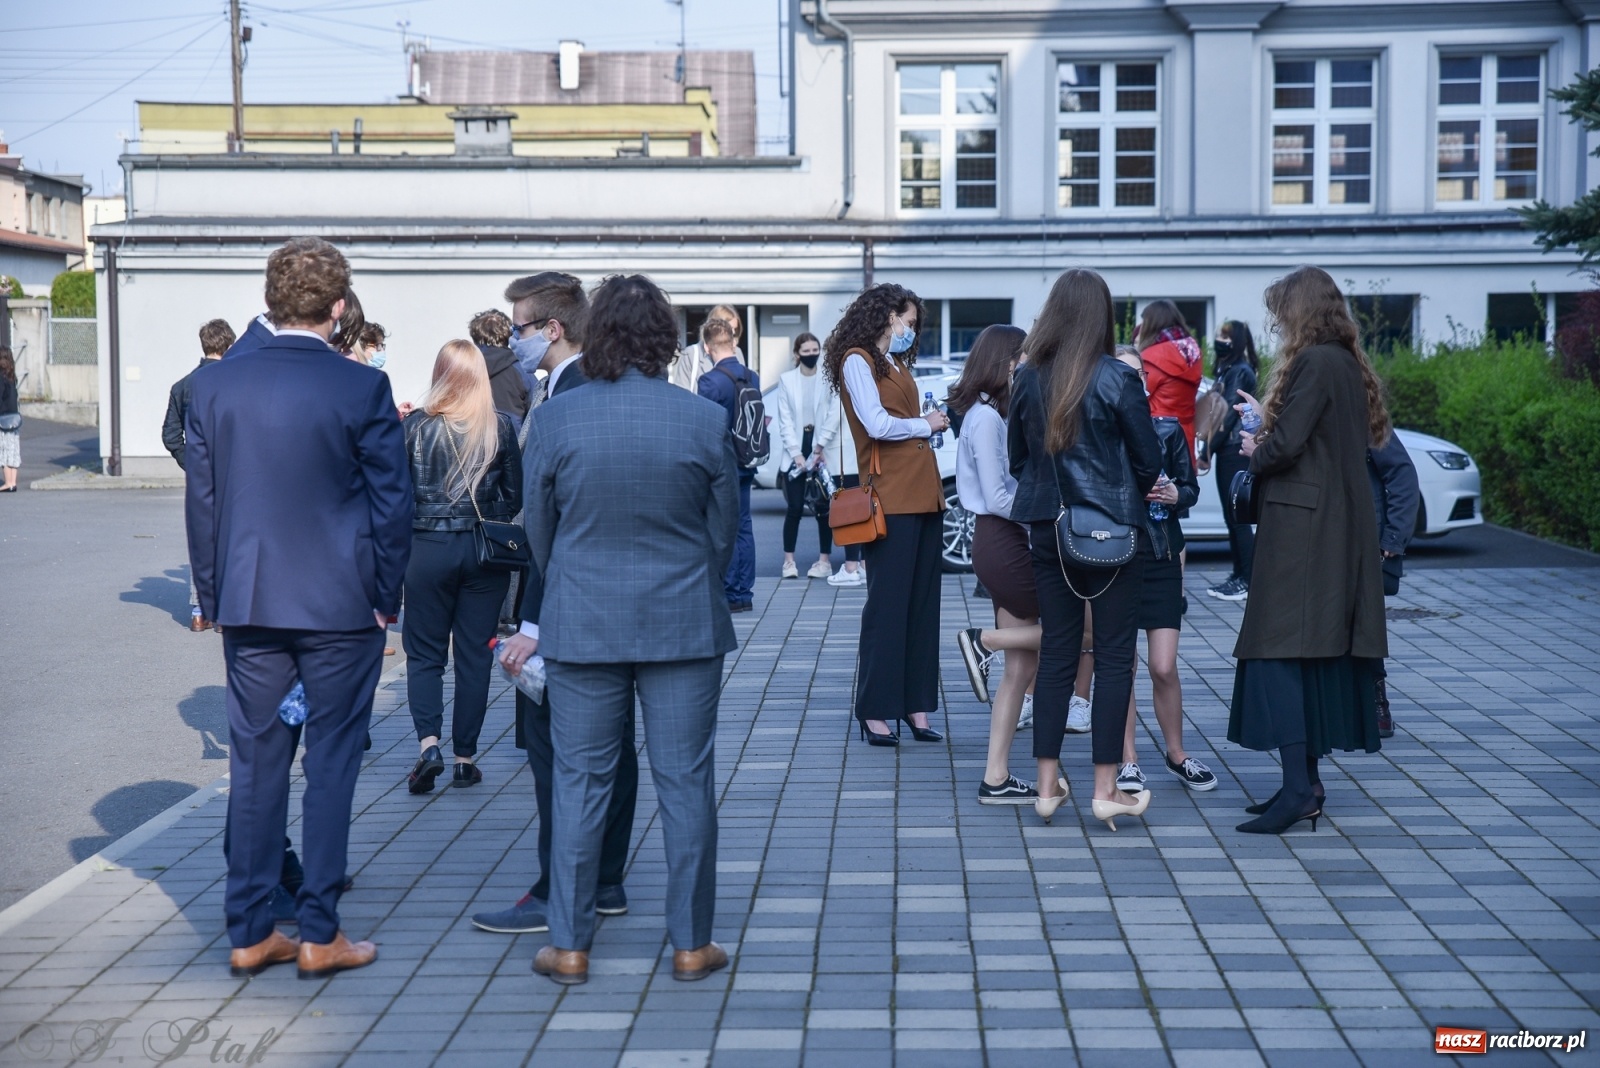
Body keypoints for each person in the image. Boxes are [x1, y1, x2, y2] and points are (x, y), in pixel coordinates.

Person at [498, 273, 738, 987]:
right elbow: (722, 535)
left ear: (593, 334)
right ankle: (692, 944)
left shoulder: (558, 420)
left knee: (580, 781)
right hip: (683, 624)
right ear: (666, 339)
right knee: (686, 783)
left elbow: (539, 532)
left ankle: (569, 945)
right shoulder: (700, 419)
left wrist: (576, 581)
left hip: (583, 623)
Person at [185, 236, 411, 977]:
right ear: (339, 308)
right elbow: (391, 506)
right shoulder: (362, 388)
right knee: (333, 763)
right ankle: (318, 931)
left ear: (270, 301)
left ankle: (250, 930)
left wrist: (214, 596)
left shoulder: (217, 387)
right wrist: (386, 598)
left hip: (250, 602)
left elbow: (204, 502)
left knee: (255, 766)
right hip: (341, 605)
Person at [471, 271, 639, 938]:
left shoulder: (563, 404)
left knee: (557, 756)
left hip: (566, 609)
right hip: (615, 602)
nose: (513, 339)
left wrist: (533, 625)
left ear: (553, 329)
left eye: (519, 327)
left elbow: (552, 525)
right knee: (613, 748)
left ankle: (558, 888)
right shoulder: (597, 390)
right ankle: (606, 881)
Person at [1229, 265, 1389, 835]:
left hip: (1304, 530)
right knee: (1304, 653)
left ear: (1302, 310)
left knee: (1277, 654)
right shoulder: (1343, 361)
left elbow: (1288, 444)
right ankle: (1306, 785)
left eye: (1281, 313)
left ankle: (1299, 790)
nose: (1277, 324)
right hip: (1328, 526)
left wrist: (1255, 447)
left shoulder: (1317, 361)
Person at [1008, 268, 1163, 831]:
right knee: (1117, 653)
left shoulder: (1027, 379)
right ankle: (1104, 788)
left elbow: (1017, 461)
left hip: (1047, 526)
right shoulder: (1118, 378)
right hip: (1112, 530)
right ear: (1102, 316)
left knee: (1057, 653)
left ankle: (1047, 785)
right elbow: (1148, 460)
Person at [824, 282, 949, 747]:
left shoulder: (892, 362)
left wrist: (927, 425)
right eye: (908, 322)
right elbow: (876, 424)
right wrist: (925, 424)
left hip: (923, 494)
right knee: (888, 607)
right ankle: (876, 710)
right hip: (892, 497)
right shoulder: (856, 359)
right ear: (887, 316)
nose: (911, 332)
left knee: (921, 609)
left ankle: (916, 707)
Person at [401, 340, 522, 793]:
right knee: (474, 656)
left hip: (426, 547)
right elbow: (515, 497)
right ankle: (464, 758)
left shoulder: (414, 427)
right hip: (482, 551)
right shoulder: (500, 427)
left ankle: (428, 745)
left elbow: (398, 496)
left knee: (426, 654)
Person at [1109, 345, 1217, 795]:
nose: (1132, 380)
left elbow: (1189, 488)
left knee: (1164, 666)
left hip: (1160, 554)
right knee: (1124, 665)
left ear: (1148, 381)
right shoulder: (1100, 431)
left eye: (1138, 373)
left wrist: (1177, 495)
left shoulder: (1168, 430)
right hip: (1116, 556)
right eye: (1122, 373)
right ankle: (1128, 759)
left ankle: (1177, 754)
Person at [947, 325, 1037, 804]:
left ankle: (996, 777)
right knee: (1080, 631)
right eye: (1020, 358)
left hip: (1001, 540)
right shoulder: (985, 418)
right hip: (1001, 540)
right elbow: (999, 495)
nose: (1025, 366)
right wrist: (1045, 506)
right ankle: (983, 641)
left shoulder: (990, 414)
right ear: (1003, 361)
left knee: (1019, 671)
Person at [164, 318, 237, 630]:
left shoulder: (182, 385)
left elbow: (170, 436)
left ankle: (198, 611)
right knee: (231, 541)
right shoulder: (233, 382)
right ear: (229, 345)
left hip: (199, 475)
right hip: (232, 472)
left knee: (202, 540)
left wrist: (191, 462)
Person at [697, 317, 760, 612]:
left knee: (721, 528)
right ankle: (743, 593)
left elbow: (705, 427)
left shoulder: (709, 381)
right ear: (733, 342)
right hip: (748, 460)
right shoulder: (752, 376)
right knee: (744, 526)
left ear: (707, 347)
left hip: (720, 465)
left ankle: (726, 592)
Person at [1367, 432, 1419, 739]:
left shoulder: (1361, 407)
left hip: (1363, 541)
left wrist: (1395, 536)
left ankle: (1377, 703)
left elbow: (1401, 473)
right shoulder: (1298, 402)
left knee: (1364, 621)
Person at [1204, 320, 1259, 601]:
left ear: (1235, 340)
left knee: (1237, 516)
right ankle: (1240, 574)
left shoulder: (1239, 370)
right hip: (1229, 448)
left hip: (1234, 449)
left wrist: (1206, 451)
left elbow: (1225, 416)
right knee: (1231, 515)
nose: (1218, 340)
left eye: (1224, 336)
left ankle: (1247, 578)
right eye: (1217, 336)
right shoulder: (1229, 368)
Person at [774, 332, 836, 580]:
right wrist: (797, 454)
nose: (812, 355)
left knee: (823, 508)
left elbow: (833, 414)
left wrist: (820, 448)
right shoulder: (787, 380)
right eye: (806, 351)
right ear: (797, 354)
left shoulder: (827, 378)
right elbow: (784, 420)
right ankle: (789, 562)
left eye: (815, 350)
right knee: (795, 507)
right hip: (796, 451)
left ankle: (825, 560)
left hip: (822, 449)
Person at [1136, 300, 1204, 464]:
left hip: (1157, 434)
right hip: (1186, 433)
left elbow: (1137, 398)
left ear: (1151, 323)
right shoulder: (1193, 352)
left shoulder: (1151, 357)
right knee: (1183, 486)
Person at [468, 308, 531, 420]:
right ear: (509, 335)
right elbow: (537, 404)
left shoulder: (464, 368)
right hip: (513, 436)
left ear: (474, 336)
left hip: (471, 435)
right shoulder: (521, 370)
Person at [671, 302, 741, 394]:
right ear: (714, 327)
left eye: (735, 329)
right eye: (729, 328)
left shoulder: (737, 353)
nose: (733, 333)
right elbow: (681, 394)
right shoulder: (692, 354)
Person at [0, 347, 19, 493]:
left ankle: (7, 483)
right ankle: (13, 482)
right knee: (13, 450)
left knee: (4, 450)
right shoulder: (12, 377)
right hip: (14, 418)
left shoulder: (1, 377)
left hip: (3, 418)